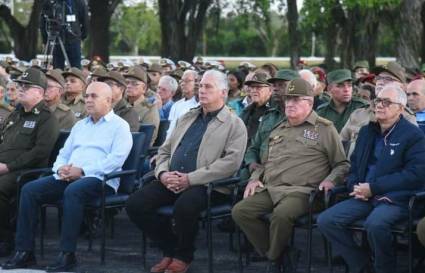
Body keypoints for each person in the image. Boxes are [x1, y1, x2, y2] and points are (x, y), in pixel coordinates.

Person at [2, 82, 132, 271]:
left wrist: (83, 171)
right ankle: (25, 252)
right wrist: (60, 168)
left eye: (93, 96)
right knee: (30, 190)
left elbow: (116, 160)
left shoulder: (120, 126)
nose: (87, 100)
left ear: (108, 100)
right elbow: (64, 153)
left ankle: (67, 254)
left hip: (99, 179)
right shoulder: (80, 125)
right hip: (68, 175)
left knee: (74, 191)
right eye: (86, 96)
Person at [125, 70, 247, 273]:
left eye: (208, 87)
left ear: (223, 92)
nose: (202, 90)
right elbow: (164, 150)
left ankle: (183, 255)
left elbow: (231, 163)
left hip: (208, 185)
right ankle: (170, 248)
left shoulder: (235, 124)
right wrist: (163, 174)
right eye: (201, 86)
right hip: (172, 179)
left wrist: (191, 179)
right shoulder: (187, 117)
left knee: (185, 206)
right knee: (135, 204)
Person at [232, 78, 349, 273]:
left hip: (304, 192)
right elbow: (265, 162)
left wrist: (331, 180)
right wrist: (254, 178)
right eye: (288, 100)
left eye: (296, 100)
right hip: (272, 188)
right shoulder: (279, 128)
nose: (290, 104)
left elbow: (342, 164)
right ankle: (282, 253)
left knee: (281, 214)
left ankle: (273, 261)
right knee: (240, 211)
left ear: (310, 103)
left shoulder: (324, 128)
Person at [317, 84, 425, 273]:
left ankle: (384, 268)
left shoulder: (413, 135)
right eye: (377, 101)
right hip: (363, 195)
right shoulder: (367, 131)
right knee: (327, 220)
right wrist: (355, 186)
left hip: (395, 198)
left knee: (375, 224)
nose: (379, 106)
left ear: (400, 108)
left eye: (387, 102)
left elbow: (415, 175)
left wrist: (374, 188)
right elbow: (355, 165)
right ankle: (362, 265)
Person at [0, 68, 59, 257]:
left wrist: (8, 166)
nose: (21, 89)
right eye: (20, 86)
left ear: (40, 93)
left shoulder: (46, 118)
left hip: (26, 171)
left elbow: (40, 152)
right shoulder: (15, 114)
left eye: (27, 86)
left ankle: (4, 239)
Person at [40, 0, 89, 69]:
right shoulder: (51, 2)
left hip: (73, 39)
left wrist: (82, 37)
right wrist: (45, 40)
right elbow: (44, 21)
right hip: (57, 40)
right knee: (60, 71)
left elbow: (85, 22)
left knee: (74, 70)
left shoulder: (78, 2)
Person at [124, 66, 160, 143]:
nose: (128, 86)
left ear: (144, 88)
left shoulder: (149, 109)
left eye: (134, 84)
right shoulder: (122, 104)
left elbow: (148, 141)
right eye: (127, 82)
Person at [240, 71, 273, 146]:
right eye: (252, 87)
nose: (254, 90)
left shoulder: (275, 110)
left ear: (270, 90)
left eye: (258, 87)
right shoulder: (246, 111)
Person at [167, 70, 199, 138]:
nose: (183, 84)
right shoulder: (176, 105)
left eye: (187, 81)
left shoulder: (199, 105)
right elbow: (170, 131)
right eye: (181, 81)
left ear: (197, 83)